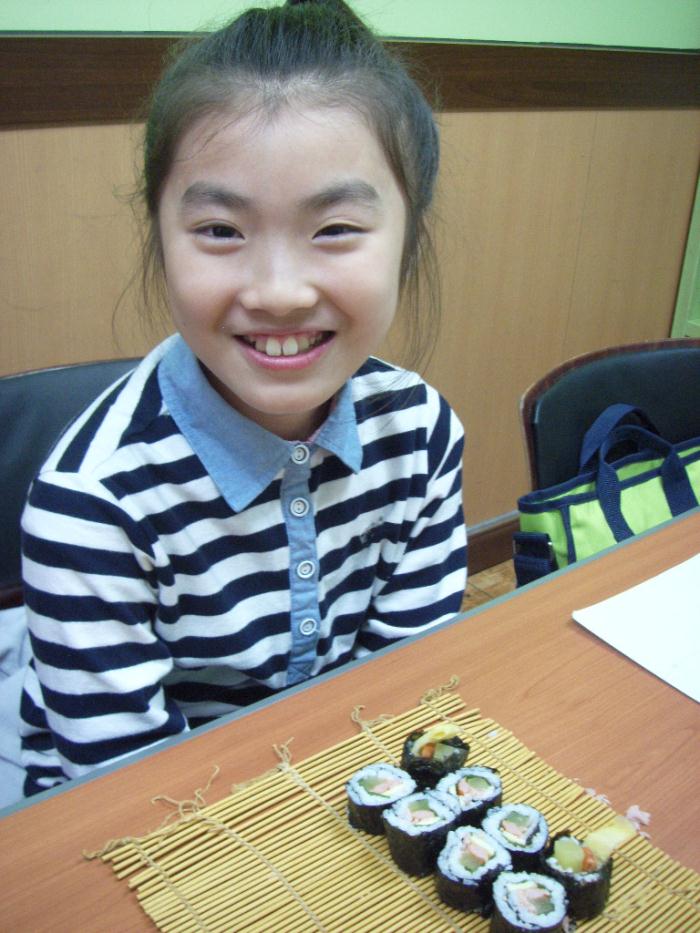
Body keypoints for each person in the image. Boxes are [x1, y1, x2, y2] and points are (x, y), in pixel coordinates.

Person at [16, 0, 467, 799]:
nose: (279, 291)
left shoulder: (422, 432)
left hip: (335, 787)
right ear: (160, 236)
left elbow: (403, 689)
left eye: (335, 228)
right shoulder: (89, 507)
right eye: (222, 231)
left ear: (409, 235)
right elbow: (134, 797)